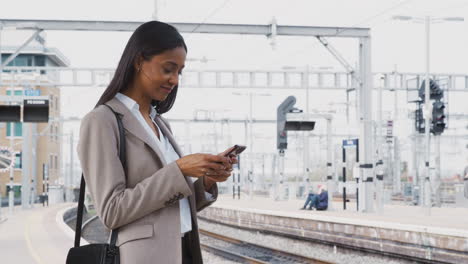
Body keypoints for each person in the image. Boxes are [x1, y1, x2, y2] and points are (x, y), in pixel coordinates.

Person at [77, 21, 238, 264]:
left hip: (184, 251)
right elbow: (112, 211)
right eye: (168, 69)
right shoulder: (102, 120)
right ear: (139, 61)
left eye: (179, 72)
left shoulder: (160, 123)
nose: (175, 80)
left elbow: (170, 204)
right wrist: (180, 169)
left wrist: (206, 181)